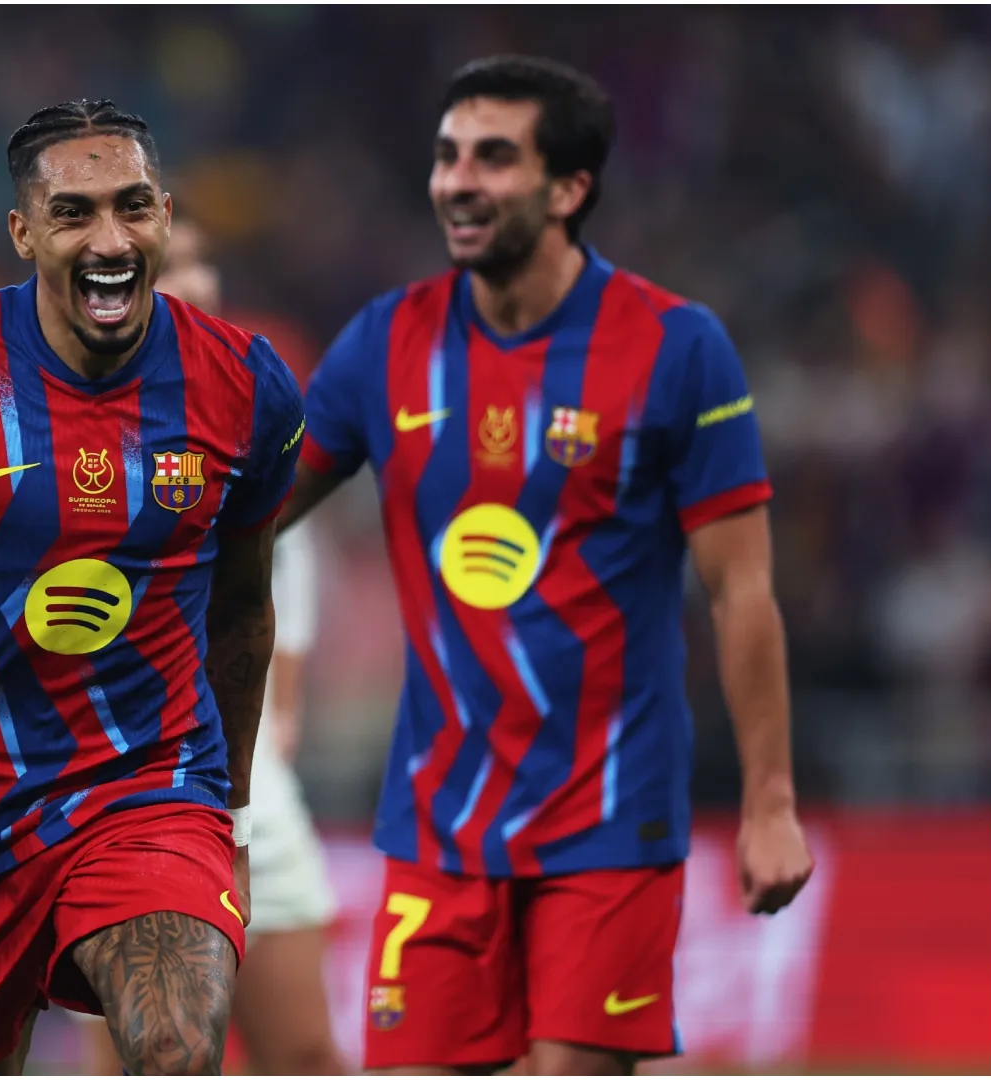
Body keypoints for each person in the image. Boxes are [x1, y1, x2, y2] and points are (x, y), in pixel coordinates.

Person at [280, 56, 814, 1075]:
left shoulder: (675, 348)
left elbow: (740, 590)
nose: (458, 182)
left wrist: (770, 800)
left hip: (609, 816)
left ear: (569, 189)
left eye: (493, 158)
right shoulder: (384, 344)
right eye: (446, 157)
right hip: (438, 820)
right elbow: (249, 520)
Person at [0, 100, 304, 1075]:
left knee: (179, 1038)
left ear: (166, 218)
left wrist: (225, 817)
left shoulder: (245, 387)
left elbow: (243, 612)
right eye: (74, 213)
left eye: (134, 207)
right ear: (22, 231)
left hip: (153, 792)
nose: (111, 239)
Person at [79, 221, 346, 1076]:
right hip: (113, 792)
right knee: (144, 1055)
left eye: (199, 258)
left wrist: (259, 767)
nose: (190, 278)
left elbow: (281, 635)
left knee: (302, 1053)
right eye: (170, 264)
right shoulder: (72, 436)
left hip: (246, 788)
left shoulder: (256, 424)